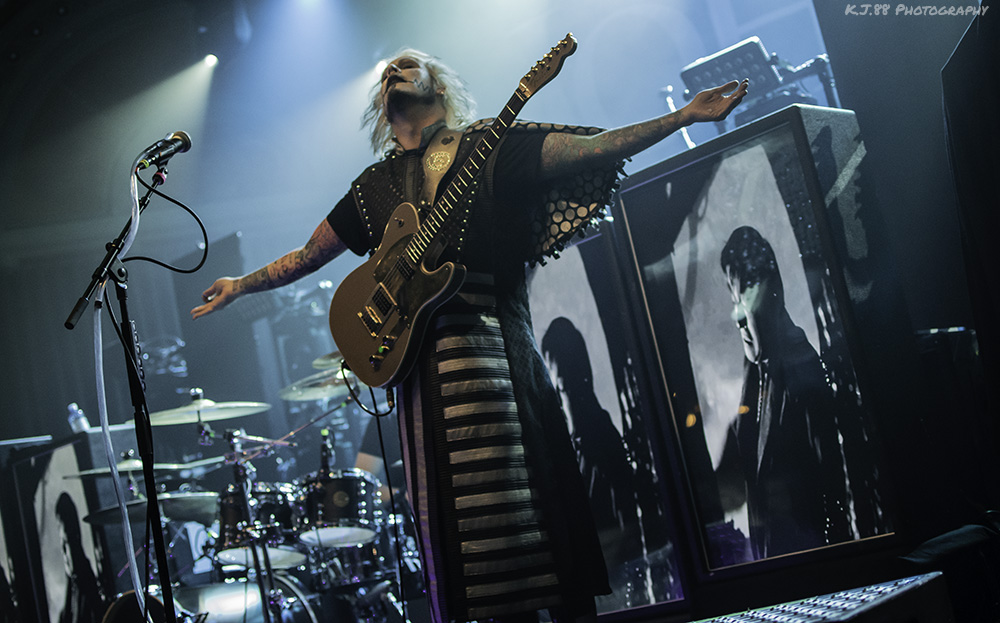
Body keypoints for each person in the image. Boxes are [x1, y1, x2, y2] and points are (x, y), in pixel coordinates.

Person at [192, 47, 747, 623]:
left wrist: (681, 117)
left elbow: (591, 149)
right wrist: (242, 284)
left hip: (495, 357)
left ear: (439, 86)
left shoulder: (488, 148)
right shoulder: (374, 187)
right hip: (419, 385)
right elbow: (311, 254)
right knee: (455, 548)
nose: (392, 72)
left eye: (408, 65)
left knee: (531, 525)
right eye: (386, 71)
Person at [715, 226, 852, 560]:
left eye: (745, 299)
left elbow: (832, 472)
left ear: (771, 295)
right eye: (734, 302)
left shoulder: (799, 362)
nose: (739, 320)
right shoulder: (753, 379)